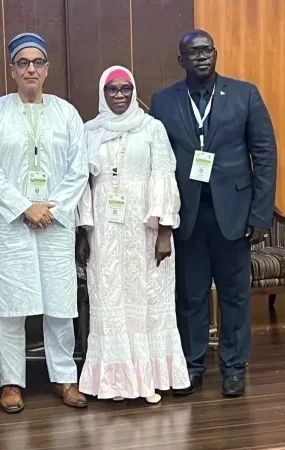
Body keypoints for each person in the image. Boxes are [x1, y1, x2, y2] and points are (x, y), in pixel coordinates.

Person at [148, 30, 277, 397]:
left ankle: (234, 367)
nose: (202, 57)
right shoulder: (163, 101)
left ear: (216, 54)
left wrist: (261, 214)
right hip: (186, 216)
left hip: (234, 215)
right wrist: (160, 218)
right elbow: (157, 162)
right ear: (181, 60)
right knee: (190, 296)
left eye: (207, 50)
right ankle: (192, 365)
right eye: (193, 52)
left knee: (235, 295)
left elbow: (265, 155)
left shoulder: (244, 94)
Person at [0, 32, 89, 413]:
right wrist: (25, 207)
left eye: (37, 62)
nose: (30, 69)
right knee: (11, 306)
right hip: (11, 225)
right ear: (11, 70)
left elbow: (79, 168)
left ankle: (64, 377)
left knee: (59, 303)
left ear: (47, 69)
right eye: (22, 62)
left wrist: (51, 208)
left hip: (55, 223)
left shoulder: (66, 112)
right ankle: (11, 381)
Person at [75, 65, 190, 404]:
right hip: (104, 232)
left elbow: (164, 176)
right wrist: (83, 231)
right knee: (108, 299)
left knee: (149, 300)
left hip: (146, 229)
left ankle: (152, 378)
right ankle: (114, 382)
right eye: (113, 89)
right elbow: (82, 183)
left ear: (134, 90)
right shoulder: (88, 131)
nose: (120, 95)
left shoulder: (152, 128)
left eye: (126, 89)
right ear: (102, 93)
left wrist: (165, 231)